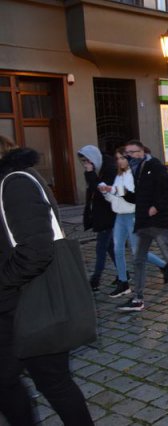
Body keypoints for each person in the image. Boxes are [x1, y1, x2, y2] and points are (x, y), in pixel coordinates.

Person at [0, 137, 94, 425]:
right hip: (17, 305)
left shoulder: (14, 183)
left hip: (31, 304)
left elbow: (37, 250)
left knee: (54, 382)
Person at [117, 140, 168, 312]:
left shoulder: (155, 166)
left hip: (159, 222)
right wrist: (123, 193)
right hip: (143, 222)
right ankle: (138, 299)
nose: (129, 155)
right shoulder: (137, 170)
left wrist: (157, 207)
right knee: (138, 259)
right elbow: (139, 197)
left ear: (142, 151)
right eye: (127, 153)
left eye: (132, 152)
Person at [99, 147, 168, 298]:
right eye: (118, 158)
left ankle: (165, 266)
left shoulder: (134, 174)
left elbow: (131, 193)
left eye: (123, 158)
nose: (120, 161)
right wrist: (106, 193)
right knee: (117, 249)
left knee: (137, 251)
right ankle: (123, 282)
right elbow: (115, 197)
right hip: (120, 215)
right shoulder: (118, 175)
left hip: (132, 214)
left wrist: (112, 190)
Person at [78, 144, 117, 291]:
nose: (85, 164)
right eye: (83, 162)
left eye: (87, 161)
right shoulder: (96, 169)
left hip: (109, 214)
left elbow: (102, 190)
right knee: (110, 247)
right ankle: (123, 273)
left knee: (101, 248)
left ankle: (95, 279)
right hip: (101, 214)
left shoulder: (109, 169)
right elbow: (92, 191)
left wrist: (90, 173)